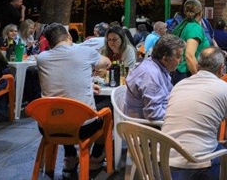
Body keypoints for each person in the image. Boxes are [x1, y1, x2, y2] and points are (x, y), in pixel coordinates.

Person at [161, 47, 227, 179]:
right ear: (221, 68)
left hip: (162, 166)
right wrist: (225, 145)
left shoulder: (179, 85)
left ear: (197, 66)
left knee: (217, 147)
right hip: (198, 169)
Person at [36, 23, 111, 177]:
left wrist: (86, 84)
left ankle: (70, 156)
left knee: (61, 108)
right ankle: (96, 156)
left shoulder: (41, 58)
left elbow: (60, 80)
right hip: (83, 129)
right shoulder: (85, 51)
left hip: (47, 126)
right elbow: (107, 63)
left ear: (49, 43)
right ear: (69, 37)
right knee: (109, 107)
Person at [124, 34, 185, 120]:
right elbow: (153, 114)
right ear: (165, 58)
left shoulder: (157, 66)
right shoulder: (151, 75)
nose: (181, 60)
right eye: (178, 56)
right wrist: (177, 114)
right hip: (144, 127)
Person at [171, 0, 210, 84]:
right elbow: (189, 55)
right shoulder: (194, 28)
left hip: (182, 73)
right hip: (188, 74)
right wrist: (200, 80)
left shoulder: (185, 25)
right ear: (200, 12)